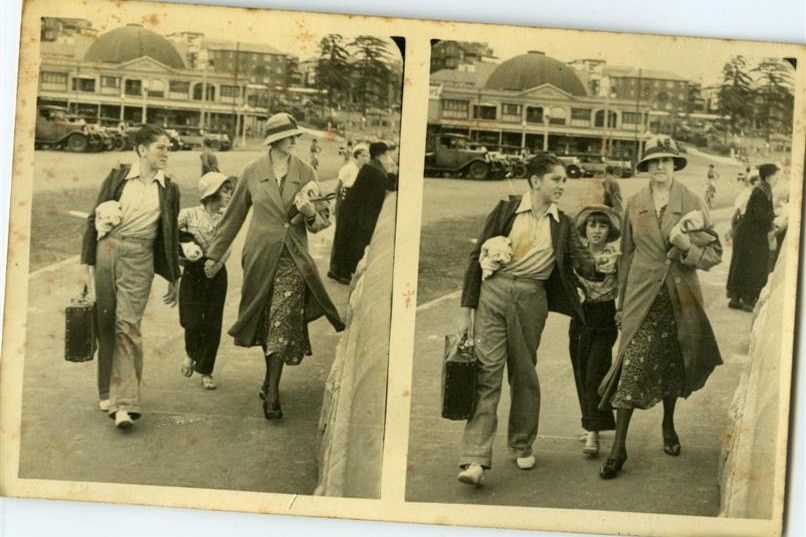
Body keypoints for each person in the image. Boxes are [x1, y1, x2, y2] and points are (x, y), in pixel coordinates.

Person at [456, 154, 601, 487]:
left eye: (565, 180)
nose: (563, 185)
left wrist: (604, 258)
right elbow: (475, 257)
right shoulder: (506, 209)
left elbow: (584, 263)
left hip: (532, 300)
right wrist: (467, 311)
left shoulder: (563, 224)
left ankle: (521, 444)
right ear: (536, 181)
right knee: (486, 374)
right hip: (493, 294)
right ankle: (475, 459)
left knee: (523, 373)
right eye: (557, 180)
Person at [203, 112, 345, 420]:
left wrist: (308, 212)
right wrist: (214, 255)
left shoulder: (306, 171)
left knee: (281, 319)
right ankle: (269, 379)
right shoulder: (252, 171)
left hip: (293, 259)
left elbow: (321, 222)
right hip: (259, 256)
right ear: (276, 139)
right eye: (291, 135)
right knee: (267, 321)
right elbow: (233, 217)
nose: (296, 140)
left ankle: (273, 393)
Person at [597, 137, 723, 479]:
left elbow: (714, 254)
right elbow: (626, 255)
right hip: (642, 299)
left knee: (673, 364)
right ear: (646, 167)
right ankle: (618, 447)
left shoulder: (692, 201)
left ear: (675, 165)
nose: (661, 167)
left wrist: (685, 248)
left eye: (667, 161)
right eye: (654, 162)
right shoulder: (635, 202)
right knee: (630, 366)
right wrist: (621, 303)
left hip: (680, 299)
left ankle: (668, 424)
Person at [81, 125, 181, 429]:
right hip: (107, 251)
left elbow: (170, 233)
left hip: (140, 257)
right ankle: (106, 392)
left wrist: (174, 277)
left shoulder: (170, 188)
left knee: (127, 324)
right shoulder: (118, 176)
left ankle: (124, 405)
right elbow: (92, 217)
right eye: (160, 148)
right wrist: (86, 265)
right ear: (141, 150)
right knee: (106, 323)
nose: (166, 153)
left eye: (168, 148)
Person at [569, 205, 621, 458]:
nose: (597, 231)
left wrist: (622, 310)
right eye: (592, 225)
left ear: (609, 230)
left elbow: (626, 285)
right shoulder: (577, 257)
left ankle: (594, 433)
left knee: (595, 374)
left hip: (605, 318)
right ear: (585, 229)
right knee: (580, 370)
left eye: (602, 225)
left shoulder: (616, 256)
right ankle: (589, 421)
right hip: (580, 319)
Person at [177, 172, 234, 390]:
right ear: (212, 193)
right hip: (193, 273)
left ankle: (206, 371)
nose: (229, 195)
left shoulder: (227, 217)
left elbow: (228, 245)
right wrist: (184, 252)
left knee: (212, 322)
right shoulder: (188, 215)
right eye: (225, 190)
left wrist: (216, 265)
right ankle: (191, 353)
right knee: (192, 320)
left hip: (217, 273)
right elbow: (172, 234)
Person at [327, 142, 396, 285]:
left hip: (357, 211)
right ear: (378, 155)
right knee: (355, 242)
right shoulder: (373, 169)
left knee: (349, 240)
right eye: (385, 154)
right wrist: (391, 174)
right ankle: (344, 273)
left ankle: (341, 272)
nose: (388, 156)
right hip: (360, 213)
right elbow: (382, 189)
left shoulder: (371, 167)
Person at [725, 163, 778, 311]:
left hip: (748, 232)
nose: (777, 178)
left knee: (741, 264)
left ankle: (736, 298)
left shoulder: (762, 189)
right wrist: (775, 214)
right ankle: (748, 299)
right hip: (750, 234)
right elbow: (759, 215)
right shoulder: (761, 191)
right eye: (775, 175)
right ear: (768, 176)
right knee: (753, 265)